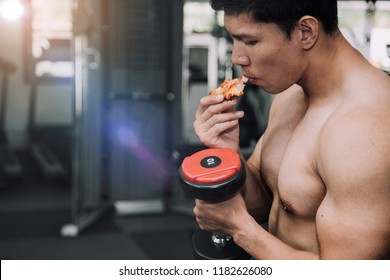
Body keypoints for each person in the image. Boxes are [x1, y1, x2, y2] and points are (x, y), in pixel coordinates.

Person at [192, 0, 390, 259]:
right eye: (235, 40)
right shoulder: (291, 95)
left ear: (306, 32)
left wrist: (240, 229)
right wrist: (229, 153)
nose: (237, 57)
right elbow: (266, 204)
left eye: (250, 42)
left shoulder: (364, 127)